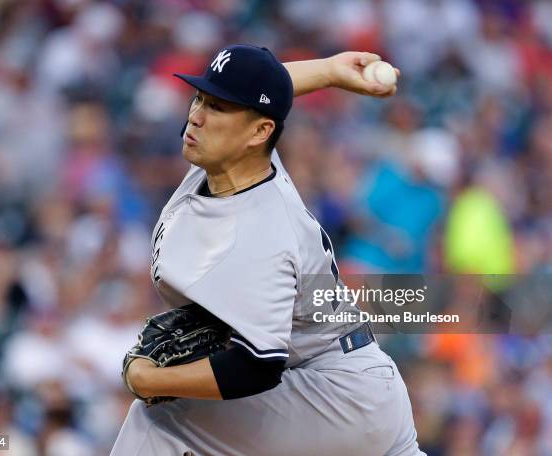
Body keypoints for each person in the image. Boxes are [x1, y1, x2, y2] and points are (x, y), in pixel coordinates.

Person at [111, 44, 424, 456]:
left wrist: (150, 381)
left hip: (335, 394)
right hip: (346, 389)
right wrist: (329, 71)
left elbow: (256, 367)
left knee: (156, 421)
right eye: (200, 98)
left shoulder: (263, 233)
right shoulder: (236, 158)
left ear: (259, 133)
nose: (196, 115)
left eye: (216, 108)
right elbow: (262, 92)